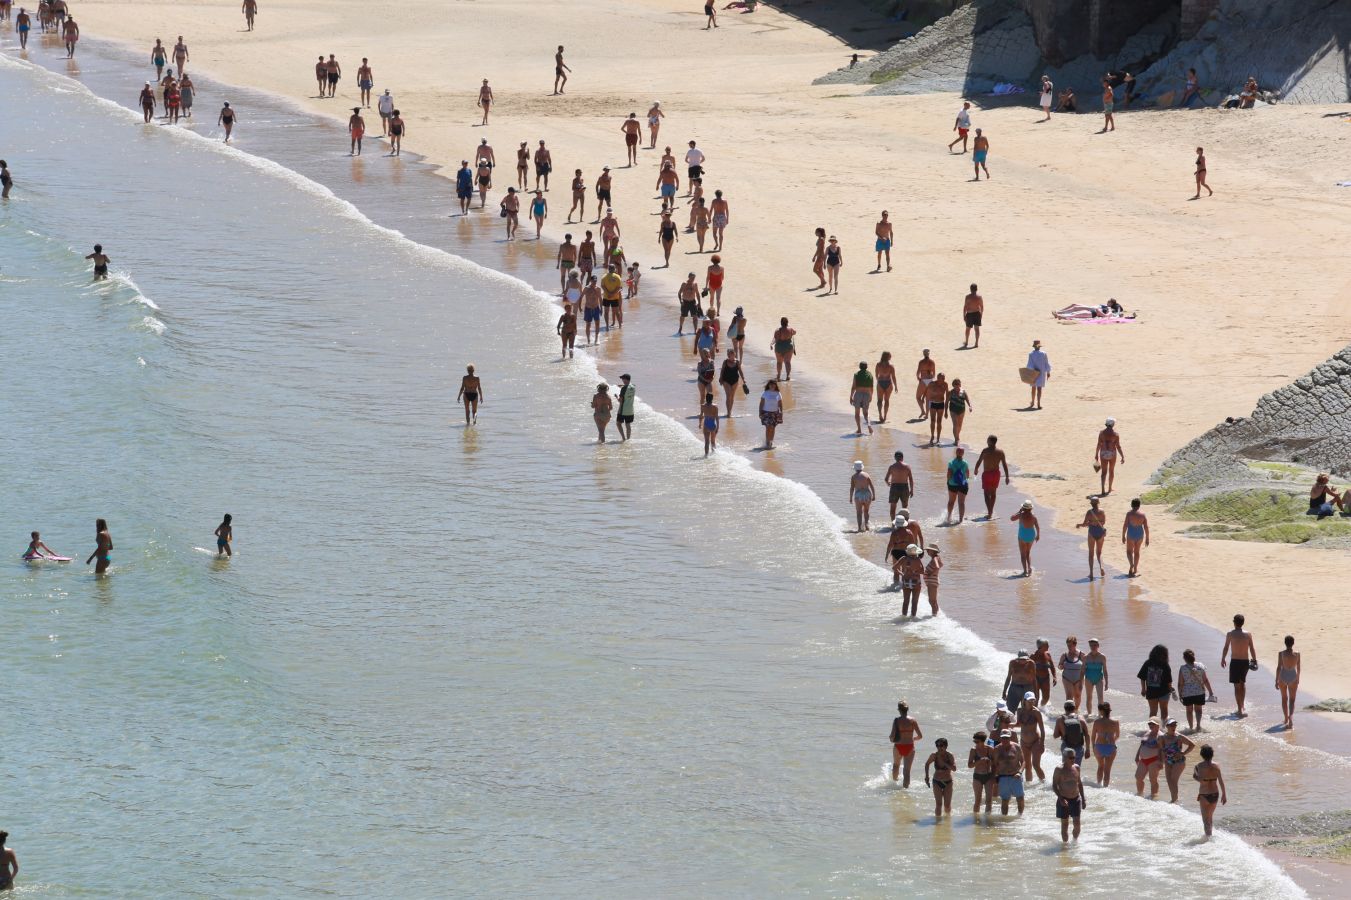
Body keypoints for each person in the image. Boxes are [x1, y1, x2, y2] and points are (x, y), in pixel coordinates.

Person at [1221, 613, 1258, 717]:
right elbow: (1252, 648)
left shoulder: (1230, 634)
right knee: (1242, 683)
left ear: (1234, 623)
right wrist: (1254, 660)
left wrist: (1223, 658)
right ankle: (1242, 706)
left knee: (1237, 686)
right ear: (1243, 623)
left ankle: (1239, 709)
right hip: (1245, 661)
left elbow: (1226, 647)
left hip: (1235, 661)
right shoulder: (1248, 634)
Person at [1051, 748, 1085, 841]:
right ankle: (1065, 848)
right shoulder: (1059, 769)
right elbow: (1054, 785)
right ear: (1065, 758)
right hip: (1064, 799)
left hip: (1076, 799)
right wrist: (1061, 798)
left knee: (1077, 824)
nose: (1073, 759)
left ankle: (1074, 842)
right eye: (1070, 758)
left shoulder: (1077, 767)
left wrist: (1083, 798)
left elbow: (1080, 783)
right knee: (1065, 825)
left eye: (1074, 757)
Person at [1193, 745, 1227, 837]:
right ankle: (1210, 836)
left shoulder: (1198, 766)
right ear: (1212, 754)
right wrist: (1224, 794)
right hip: (1215, 794)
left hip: (1204, 794)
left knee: (1205, 820)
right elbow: (1221, 781)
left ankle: (1208, 839)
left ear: (1202, 755)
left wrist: (1196, 777)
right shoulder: (1217, 766)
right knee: (1210, 817)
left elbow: (1198, 778)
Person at [970, 435, 1008, 519]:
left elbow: (979, 461)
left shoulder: (985, 451)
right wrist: (1007, 476)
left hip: (987, 474)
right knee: (993, 493)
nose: (986, 441)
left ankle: (990, 512)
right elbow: (1004, 465)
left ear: (990, 441)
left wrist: (976, 469)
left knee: (986, 494)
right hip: (996, 474)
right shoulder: (1000, 452)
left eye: (987, 440)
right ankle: (991, 511)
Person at [1178, 648, 1215, 732]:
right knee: (1198, 710)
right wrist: (1210, 692)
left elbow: (1181, 683)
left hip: (1187, 693)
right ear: (1193, 656)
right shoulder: (1200, 666)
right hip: (1199, 692)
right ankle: (1198, 726)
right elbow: (1205, 680)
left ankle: (1191, 728)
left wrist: (1180, 693)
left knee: (1189, 711)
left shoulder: (1182, 668)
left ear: (1184, 658)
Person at [1160, 718, 1195, 803]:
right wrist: (1162, 760)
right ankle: (1174, 799)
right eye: (1171, 725)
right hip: (1168, 761)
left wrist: (1183, 753)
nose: (1173, 727)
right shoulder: (1162, 737)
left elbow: (1192, 745)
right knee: (1169, 781)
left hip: (1179, 761)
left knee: (1173, 780)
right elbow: (1161, 749)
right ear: (1167, 726)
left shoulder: (1179, 737)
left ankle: (1174, 801)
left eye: (1175, 725)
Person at [888, 701, 923, 786]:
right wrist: (913, 738)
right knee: (907, 771)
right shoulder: (913, 720)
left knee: (896, 765)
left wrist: (891, 739)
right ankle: (905, 790)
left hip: (898, 746)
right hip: (910, 746)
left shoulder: (896, 721)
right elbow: (920, 736)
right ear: (907, 709)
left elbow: (892, 736)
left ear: (899, 710)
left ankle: (894, 784)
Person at [1138, 644, 1175, 722]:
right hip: (1164, 691)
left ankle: (1153, 730)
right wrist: (1171, 689)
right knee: (1164, 711)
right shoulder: (1165, 664)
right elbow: (1169, 680)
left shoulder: (1147, 663)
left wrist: (1143, 689)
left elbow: (1142, 677)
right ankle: (1163, 728)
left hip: (1151, 692)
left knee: (1153, 711)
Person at [1015, 691, 1045, 782]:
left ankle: (1044, 783)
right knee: (1027, 766)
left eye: (1033, 700)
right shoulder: (1019, 711)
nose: (1031, 702)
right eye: (1029, 700)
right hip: (1024, 742)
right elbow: (1019, 724)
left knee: (1035, 765)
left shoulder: (1036, 712)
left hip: (1036, 741)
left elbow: (1042, 729)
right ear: (1024, 701)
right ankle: (1029, 785)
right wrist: (1008, 725)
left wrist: (1042, 744)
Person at [993, 730, 1025, 815]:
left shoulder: (1016, 747)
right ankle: (1004, 818)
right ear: (1000, 738)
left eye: (1007, 738)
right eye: (1003, 738)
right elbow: (994, 764)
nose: (1005, 740)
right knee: (1005, 800)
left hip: (1016, 776)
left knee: (1020, 798)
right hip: (1003, 777)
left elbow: (1023, 762)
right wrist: (995, 777)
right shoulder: (997, 749)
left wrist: (1020, 772)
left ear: (1010, 737)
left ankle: (1020, 816)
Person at [924, 739, 956, 818]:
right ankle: (937, 824)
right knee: (938, 804)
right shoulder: (934, 755)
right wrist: (927, 777)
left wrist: (944, 762)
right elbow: (927, 764)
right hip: (937, 781)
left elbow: (954, 769)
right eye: (937, 746)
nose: (939, 748)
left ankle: (947, 822)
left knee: (947, 805)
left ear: (946, 746)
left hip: (948, 782)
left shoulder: (949, 755)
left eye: (941, 746)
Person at [1076, 497, 1108, 579]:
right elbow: (1103, 522)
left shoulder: (1089, 512)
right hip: (1100, 532)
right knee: (1099, 552)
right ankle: (1101, 567)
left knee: (1091, 554)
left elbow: (1084, 524)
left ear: (1091, 504)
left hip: (1092, 532)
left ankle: (1091, 573)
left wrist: (1079, 525)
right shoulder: (1102, 511)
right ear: (1098, 503)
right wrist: (1097, 523)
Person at [1090, 701, 1120, 786]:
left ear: (1101, 711)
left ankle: (1098, 785)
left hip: (1099, 747)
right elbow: (1117, 736)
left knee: (1100, 767)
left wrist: (1093, 747)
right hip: (1111, 747)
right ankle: (1105, 789)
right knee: (1107, 770)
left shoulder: (1097, 722)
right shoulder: (1115, 722)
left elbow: (1093, 737)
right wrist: (1112, 740)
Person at [1053, 699, 1088, 769]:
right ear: (1074, 708)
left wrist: (1062, 732)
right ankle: (1076, 779)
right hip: (1078, 747)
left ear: (1064, 708)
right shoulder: (1081, 718)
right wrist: (1088, 749)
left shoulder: (1060, 719)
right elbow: (1087, 734)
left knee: (1066, 768)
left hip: (1066, 746)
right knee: (1077, 768)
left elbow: (1055, 735)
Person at [1276, 635, 1301, 728]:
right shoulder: (1297, 654)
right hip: (1293, 676)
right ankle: (1290, 718)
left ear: (1285, 643)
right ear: (1293, 643)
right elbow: (1298, 667)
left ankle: (1286, 718)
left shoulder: (1281, 653)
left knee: (1284, 699)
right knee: (1292, 700)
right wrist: (1298, 678)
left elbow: (1279, 667)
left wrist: (1276, 680)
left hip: (1283, 676)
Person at [1093, 418, 1124, 495]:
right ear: (1113, 424)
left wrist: (1096, 454)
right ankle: (1109, 488)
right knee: (1111, 470)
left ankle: (1103, 490)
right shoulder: (1116, 434)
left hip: (1103, 453)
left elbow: (1099, 444)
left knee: (1103, 472)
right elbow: (1118, 446)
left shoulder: (1101, 433)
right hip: (1112, 453)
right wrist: (1122, 456)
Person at [1134, 717, 1163, 797]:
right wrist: (1137, 756)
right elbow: (1142, 745)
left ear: (1158, 725)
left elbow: (1162, 750)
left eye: (1153, 724)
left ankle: (1154, 796)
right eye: (1149, 724)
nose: (1151, 725)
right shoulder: (1147, 733)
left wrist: (1161, 761)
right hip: (1143, 760)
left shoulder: (1161, 736)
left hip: (1154, 760)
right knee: (1138, 777)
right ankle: (1140, 794)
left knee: (1153, 779)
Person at [968, 732, 996, 814]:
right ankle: (976, 820)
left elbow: (995, 764)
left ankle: (988, 820)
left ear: (983, 741)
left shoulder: (990, 749)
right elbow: (969, 765)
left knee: (989, 800)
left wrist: (994, 776)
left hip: (988, 776)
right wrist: (978, 761)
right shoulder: (973, 750)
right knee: (978, 800)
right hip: (977, 776)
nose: (975, 743)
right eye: (974, 742)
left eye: (977, 742)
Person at [1010, 500, 1039, 576]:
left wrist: (1019, 512)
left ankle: (1025, 571)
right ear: (1031, 509)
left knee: (1023, 554)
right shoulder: (1034, 516)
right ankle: (1029, 568)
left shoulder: (1020, 515)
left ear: (1023, 508)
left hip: (1022, 536)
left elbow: (1012, 518)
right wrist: (1038, 535)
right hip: (1031, 535)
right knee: (1028, 552)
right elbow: (1037, 526)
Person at [884, 452, 914, 522]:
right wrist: (912, 490)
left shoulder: (892, 467)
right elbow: (911, 480)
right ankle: (904, 524)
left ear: (895, 458)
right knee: (904, 508)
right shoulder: (907, 467)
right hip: (904, 487)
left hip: (894, 487)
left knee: (893, 508)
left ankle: (893, 524)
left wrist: (888, 483)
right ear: (902, 458)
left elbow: (886, 479)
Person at [1122, 498, 1149, 576]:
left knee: (1129, 552)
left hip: (1131, 533)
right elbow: (1146, 527)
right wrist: (1147, 538)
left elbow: (1125, 525)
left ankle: (1131, 564)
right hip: (1140, 534)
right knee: (1137, 552)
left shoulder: (1129, 514)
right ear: (1139, 506)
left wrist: (1123, 535)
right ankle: (1135, 569)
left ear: (1131, 505)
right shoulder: (1142, 515)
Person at [1059, 638, 1086, 709]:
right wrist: (1061, 666)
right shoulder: (1064, 655)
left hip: (1079, 678)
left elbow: (1086, 666)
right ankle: (1069, 712)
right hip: (1067, 678)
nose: (1069, 647)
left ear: (1075, 644)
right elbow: (1059, 665)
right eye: (1068, 645)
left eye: (1070, 645)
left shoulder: (1081, 654)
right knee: (1069, 696)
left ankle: (1076, 710)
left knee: (1078, 695)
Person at [1083, 638, 1109, 712]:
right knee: (1089, 697)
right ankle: (1089, 714)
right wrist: (1080, 682)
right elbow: (1082, 671)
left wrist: (1107, 683)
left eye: (1094, 645)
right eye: (1091, 645)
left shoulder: (1102, 657)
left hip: (1099, 679)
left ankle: (1100, 715)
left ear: (1098, 645)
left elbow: (1105, 670)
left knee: (1100, 698)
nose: (1093, 647)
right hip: (1088, 678)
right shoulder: (1086, 657)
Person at [717, 348, 743, 418]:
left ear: (734, 354)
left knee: (732, 396)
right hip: (726, 380)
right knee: (728, 396)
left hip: (735, 381)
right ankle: (728, 412)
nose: (731, 355)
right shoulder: (725, 362)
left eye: (732, 354)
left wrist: (743, 379)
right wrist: (720, 378)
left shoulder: (737, 362)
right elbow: (722, 371)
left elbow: (740, 371)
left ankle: (730, 411)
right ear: (728, 355)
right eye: (729, 354)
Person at [849, 461, 875, 532]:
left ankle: (859, 528)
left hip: (858, 495)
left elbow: (852, 488)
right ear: (862, 467)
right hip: (867, 494)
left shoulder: (853, 477)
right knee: (866, 511)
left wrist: (850, 498)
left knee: (859, 512)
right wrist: (874, 495)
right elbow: (872, 486)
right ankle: (867, 526)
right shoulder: (866, 475)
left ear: (855, 468)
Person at [898, 544, 924, 616]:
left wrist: (902, 574)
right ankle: (912, 619)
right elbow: (922, 571)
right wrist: (915, 572)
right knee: (914, 602)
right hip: (916, 582)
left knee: (906, 601)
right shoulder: (918, 560)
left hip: (905, 581)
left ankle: (903, 617)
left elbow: (894, 567)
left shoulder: (903, 558)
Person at [850, 362, 874, 436]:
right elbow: (871, 387)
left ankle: (859, 429)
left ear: (859, 367)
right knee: (866, 413)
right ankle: (869, 427)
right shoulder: (870, 375)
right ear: (866, 367)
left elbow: (854, 386)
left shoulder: (856, 374)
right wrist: (871, 396)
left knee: (857, 413)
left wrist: (851, 396)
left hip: (858, 394)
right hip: (867, 394)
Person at [872, 351, 896, 424]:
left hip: (880, 382)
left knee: (879, 400)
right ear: (887, 357)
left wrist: (879, 381)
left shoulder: (878, 365)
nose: (891, 357)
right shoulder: (891, 366)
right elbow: (893, 377)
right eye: (890, 356)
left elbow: (876, 375)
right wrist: (896, 386)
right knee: (887, 400)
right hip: (888, 382)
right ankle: (885, 416)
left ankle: (880, 415)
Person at [1025, 339, 1050, 409]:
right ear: (1039, 347)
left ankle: (1032, 402)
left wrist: (1032, 370)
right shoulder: (1043, 354)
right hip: (1041, 373)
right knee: (1039, 389)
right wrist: (1048, 372)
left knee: (1033, 388)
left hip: (1034, 373)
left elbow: (1029, 365)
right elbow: (1046, 364)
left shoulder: (1031, 354)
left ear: (1034, 347)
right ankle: (1038, 403)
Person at [1032, 638, 1057, 707]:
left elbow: (1052, 666)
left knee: (1046, 698)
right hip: (1036, 678)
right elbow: (1027, 668)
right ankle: (1035, 712)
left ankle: (1041, 709)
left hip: (1045, 678)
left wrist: (1054, 677)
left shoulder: (1048, 654)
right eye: (1047, 645)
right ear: (1041, 646)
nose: (1048, 646)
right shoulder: (1033, 656)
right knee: (1036, 698)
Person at [925, 373, 948, 445]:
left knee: (939, 421)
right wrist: (923, 398)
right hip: (933, 403)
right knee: (932, 420)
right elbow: (926, 392)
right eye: (942, 378)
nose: (944, 379)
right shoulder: (932, 384)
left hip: (941, 403)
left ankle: (938, 438)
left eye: (944, 378)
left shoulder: (945, 384)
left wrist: (946, 410)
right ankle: (932, 436)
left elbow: (947, 396)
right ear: (938, 378)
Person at [759, 380, 783, 449]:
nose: (772, 386)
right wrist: (760, 412)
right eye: (771, 384)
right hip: (766, 412)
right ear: (768, 385)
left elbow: (780, 404)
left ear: (775, 385)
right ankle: (767, 442)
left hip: (775, 413)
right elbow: (761, 404)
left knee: (773, 427)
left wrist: (781, 413)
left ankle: (771, 442)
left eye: (773, 384)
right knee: (768, 427)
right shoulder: (765, 393)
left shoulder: (778, 393)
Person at [914, 349, 936, 420]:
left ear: (923, 354)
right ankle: (926, 415)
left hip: (923, 380)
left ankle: (923, 411)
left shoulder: (921, 362)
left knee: (918, 397)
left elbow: (918, 372)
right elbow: (934, 374)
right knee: (928, 399)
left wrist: (918, 378)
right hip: (930, 380)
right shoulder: (932, 362)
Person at [580, 275, 602, 345]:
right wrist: (579, 307)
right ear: (590, 281)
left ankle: (596, 339)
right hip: (588, 308)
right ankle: (588, 340)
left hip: (596, 308)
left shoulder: (598, 288)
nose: (594, 282)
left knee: (597, 323)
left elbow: (600, 299)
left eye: (595, 281)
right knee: (588, 324)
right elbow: (581, 297)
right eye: (593, 281)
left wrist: (601, 308)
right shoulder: (586, 288)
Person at [922, 543, 942, 615]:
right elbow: (941, 564)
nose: (927, 552)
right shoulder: (937, 558)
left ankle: (934, 615)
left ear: (933, 551)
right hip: (933, 580)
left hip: (932, 581)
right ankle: (936, 615)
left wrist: (930, 574)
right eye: (927, 550)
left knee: (931, 601)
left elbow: (937, 567)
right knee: (934, 601)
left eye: (928, 550)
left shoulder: (935, 558)